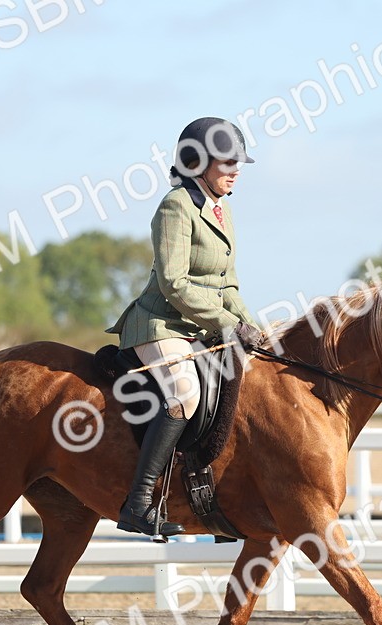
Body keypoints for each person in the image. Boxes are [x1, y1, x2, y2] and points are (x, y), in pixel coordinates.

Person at [106, 117, 265, 540]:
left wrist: (251, 327)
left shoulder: (221, 207)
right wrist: (229, 324)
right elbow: (173, 283)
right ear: (197, 162)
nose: (236, 170)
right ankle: (138, 502)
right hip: (159, 325)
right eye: (228, 162)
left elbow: (227, 284)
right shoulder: (175, 206)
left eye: (238, 163)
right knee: (184, 394)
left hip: (198, 326)